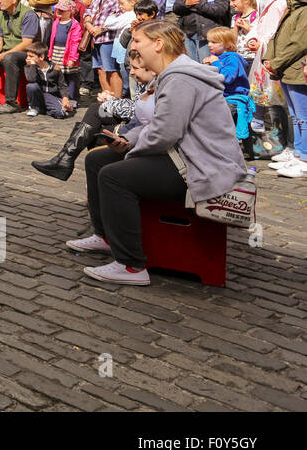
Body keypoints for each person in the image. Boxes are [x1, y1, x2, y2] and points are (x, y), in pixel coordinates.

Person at [68, 21, 246, 285]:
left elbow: (166, 132)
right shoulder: (169, 75)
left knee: (113, 176)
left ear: (158, 44)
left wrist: (131, 152)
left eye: (138, 41)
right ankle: (106, 236)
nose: (133, 45)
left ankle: (131, 265)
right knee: (98, 159)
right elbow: (154, 125)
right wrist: (127, 140)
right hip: (181, 155)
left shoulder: (180, 78)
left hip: (201, 165)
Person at [32, 51, 155, 181]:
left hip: (135, 128)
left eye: (135, 68)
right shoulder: (147, 80)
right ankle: (65, 160)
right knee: (96, 110)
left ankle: (68, 162)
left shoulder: (160, 81)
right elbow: (136, 105)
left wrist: (110, 102)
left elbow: (136, 110)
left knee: (95, 133)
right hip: (132, 121)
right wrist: (111, 100)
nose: (131, 72)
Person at [263, 0, 307, 178]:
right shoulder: (294, 7)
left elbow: (299, 43)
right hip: (286, 69)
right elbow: (277, 35)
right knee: (294, 115)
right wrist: (268, 59)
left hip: (297, 69)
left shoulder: (305, 10)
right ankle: (297, 152)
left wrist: (277, 61)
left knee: (303, 117)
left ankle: (304, 156)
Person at [83, 0, 129, 97]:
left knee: (112, 69)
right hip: (94, 36)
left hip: (109, 37)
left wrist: (102, 29)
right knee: (100, 69)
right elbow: (90, 9)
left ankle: (116, 99)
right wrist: (88, 23)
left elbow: (121, 15)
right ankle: (106, 98)